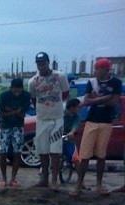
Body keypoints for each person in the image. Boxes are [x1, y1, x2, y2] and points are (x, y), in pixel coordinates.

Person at [71, 58, 122, 197]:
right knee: (85, 154)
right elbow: (87, 101)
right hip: (92, 120)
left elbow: (114, 102)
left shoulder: (116, 83)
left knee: (101, 155)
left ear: (106, 69)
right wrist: (104, 98)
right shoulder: (92, 82)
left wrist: (95, 99)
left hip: (106, 121)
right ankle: (78, 185)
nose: (96, 71)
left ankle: (99, 184)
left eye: (98, 68)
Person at [28, 52, 69, 191]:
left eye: (43, 64)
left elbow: (65, 94)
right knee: (42, 150)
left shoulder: (60, 77)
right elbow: (33, 99)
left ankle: (54, 180)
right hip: (41, 118)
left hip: (57, 117)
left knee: (55, 150)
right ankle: (43, 178)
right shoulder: (33, 81)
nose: (41, 66)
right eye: (39, 64)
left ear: (48, 63)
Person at [0, 77, 31, 187]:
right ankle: (3, 177)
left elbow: (22, 114)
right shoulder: (3, 96)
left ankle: (13, 178)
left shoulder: (26, 95)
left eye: (19, 90)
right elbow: (0, 114)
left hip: (18, 126)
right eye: (15, 90)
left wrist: (9, 110)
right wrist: (15, 112)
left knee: (17, 152)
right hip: (5, 126)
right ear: (11, 88)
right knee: (3, 152)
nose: (17, 92)